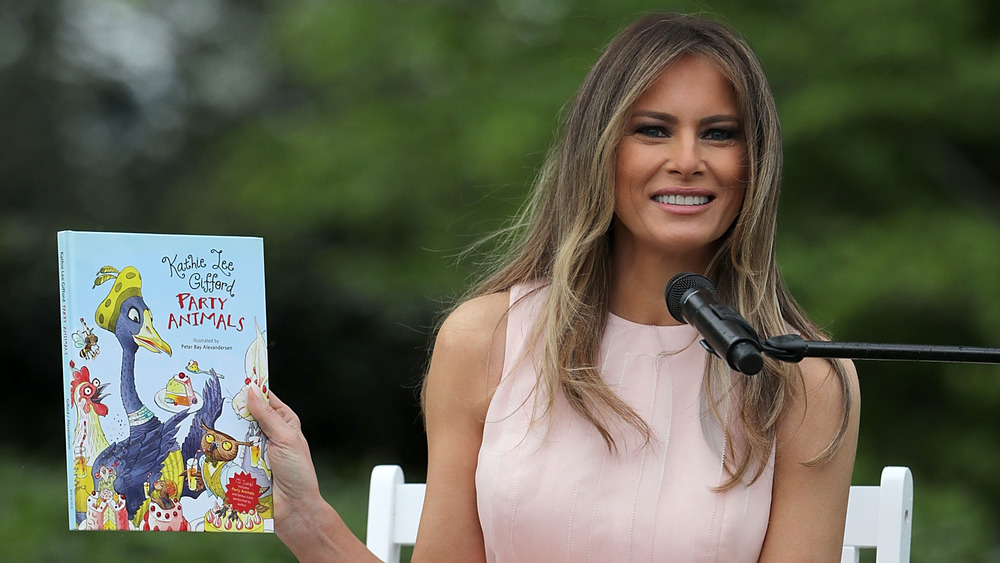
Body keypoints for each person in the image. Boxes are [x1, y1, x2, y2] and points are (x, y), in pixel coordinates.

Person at [247, 11, 860, 562]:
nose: (687, 159)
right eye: (652, 129)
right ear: (600, 150)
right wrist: (307, 522)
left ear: (756, 164)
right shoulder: (485, 338)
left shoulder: (804, 377)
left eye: (720, 133)